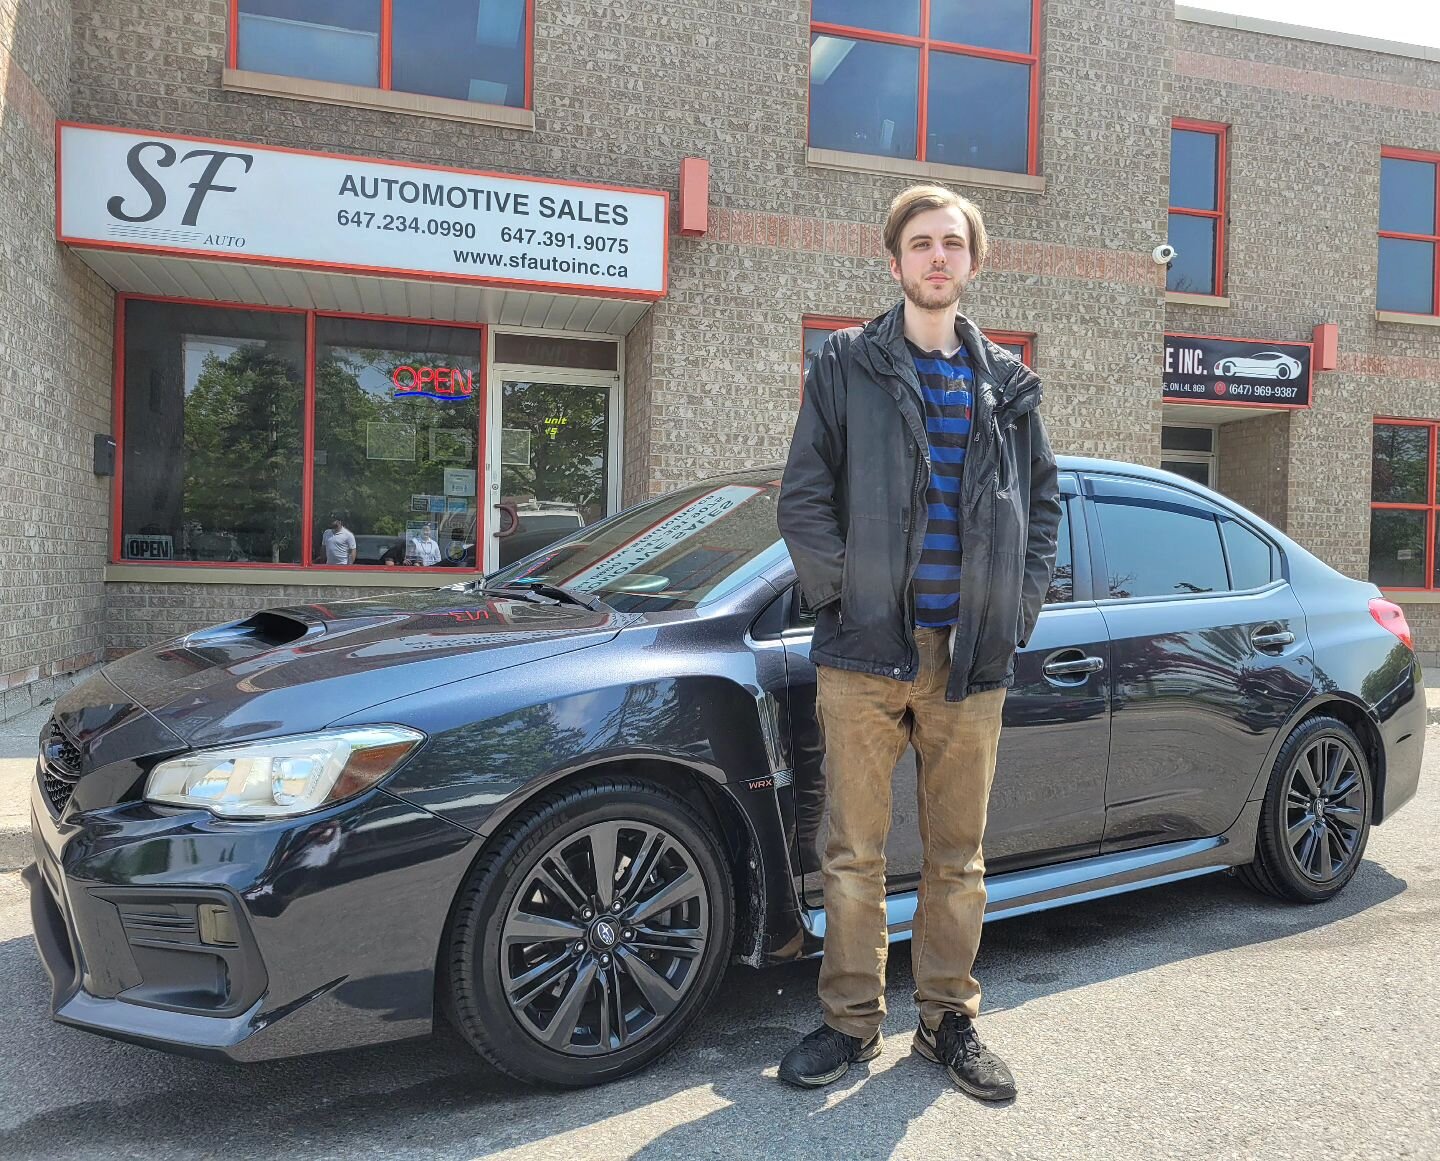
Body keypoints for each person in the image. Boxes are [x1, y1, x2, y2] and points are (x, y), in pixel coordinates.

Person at [776, 184, 1061, 1102]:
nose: (937, 258)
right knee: (853, 856)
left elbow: (1044, 507)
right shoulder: (847, 364)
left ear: (973, 263)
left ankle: (948, 1022)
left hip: (969, 661)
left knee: (958, 859)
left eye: (952, 244)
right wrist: (846, 598)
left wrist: (1015, 615)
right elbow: (803, 498)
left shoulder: (1008, 386)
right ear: (894, 260)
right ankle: (850, 1024)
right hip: (863, 659)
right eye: (921, 243)